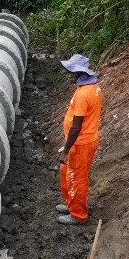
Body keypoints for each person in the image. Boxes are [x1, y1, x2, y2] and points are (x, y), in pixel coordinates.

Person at [57, 54, 103, 225]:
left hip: (80, 143)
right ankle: (71, 203)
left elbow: (76, 126)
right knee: (65, 172)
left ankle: (78, 215)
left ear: (79, 72)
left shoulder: (84, 93)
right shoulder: (91, 87)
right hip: (79, 141)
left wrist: (66, 149)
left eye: (72, 71)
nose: (70, 74)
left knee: (77, 178)